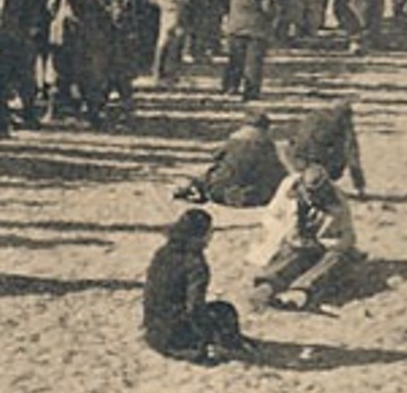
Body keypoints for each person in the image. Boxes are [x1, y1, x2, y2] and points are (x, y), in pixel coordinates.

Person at [142, 209, 250, 365]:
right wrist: (205, 335)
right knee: (225, 311)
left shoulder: (163, 253)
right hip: (174, 336)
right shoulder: (195, 264)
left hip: (154, 332)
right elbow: (194, 307)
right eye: (209, 231)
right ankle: (228, 345)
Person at [248, 165, 360, 311]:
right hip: (291, 241)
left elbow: (347, 238)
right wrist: (288, 234)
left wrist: (321, 244)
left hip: (323, 247)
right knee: (288, 256)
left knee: (335, 260)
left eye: (317, 194)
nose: (311, 197)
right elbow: (270, 217)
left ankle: (301, 291)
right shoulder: (288, 187)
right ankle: (267, 287)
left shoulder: (338, 203)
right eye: (308, 193)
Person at [173, 109, 286, 207]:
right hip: (255, 189)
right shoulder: (268, 144)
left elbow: (216, 156)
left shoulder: (235, 139)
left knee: (212, 172)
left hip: (221, 186)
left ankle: (192, 188)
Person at [220, 0, 274, 100]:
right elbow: (267, 5)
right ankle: (251, 91)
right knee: (253, 61)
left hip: (236, 20)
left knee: (235, 57)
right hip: (256, 23)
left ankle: (230, 86)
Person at [281, 103, 366, 198]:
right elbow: (353, 158)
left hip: (296, 159)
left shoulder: (315, 116)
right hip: (318, 165)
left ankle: (305, 181)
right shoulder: (344, 128)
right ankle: (316, 183)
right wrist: (360, 186)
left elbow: (293, 137)